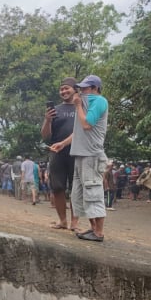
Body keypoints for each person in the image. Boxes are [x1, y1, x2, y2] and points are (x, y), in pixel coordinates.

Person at [68, 75, 108, 242]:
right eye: (81, 88)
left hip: (92, 155)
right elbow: (77, 133)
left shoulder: (99, 101)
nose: (82, 91)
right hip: (81, 154)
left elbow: (87, 125)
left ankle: (98, 232)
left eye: (85, 88)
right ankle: (92, 228)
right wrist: (62, 144)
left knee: (93, 192)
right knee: (80, 194)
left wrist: (78, 105)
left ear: (95, 88)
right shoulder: (85, 103)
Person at [44, 77, 79, 231]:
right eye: (61, 89)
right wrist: (47, 121)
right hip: (57, 153)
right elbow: (45, 136)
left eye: (67, 88)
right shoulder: (55, 110)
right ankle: (62, 220)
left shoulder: (81, 108)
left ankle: (74, 222)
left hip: (77, 152)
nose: (63, 91)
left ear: (75, 89)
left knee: (76, 188)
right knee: (57, 187)